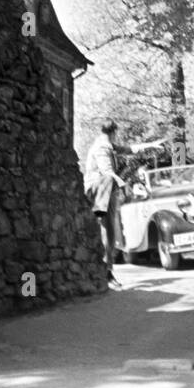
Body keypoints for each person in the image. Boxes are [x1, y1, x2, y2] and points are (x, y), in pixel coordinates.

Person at [84, 119, 130, 288]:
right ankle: (107, 272)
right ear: (113, 132)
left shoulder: (104, 144)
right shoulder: (103, 147)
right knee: (108, 230)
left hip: (99, 190)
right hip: (102, 191)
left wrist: (150, 145)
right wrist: (122, 183)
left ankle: (103, 270)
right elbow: (107, 171)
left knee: (105, 229)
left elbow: (127, 149)